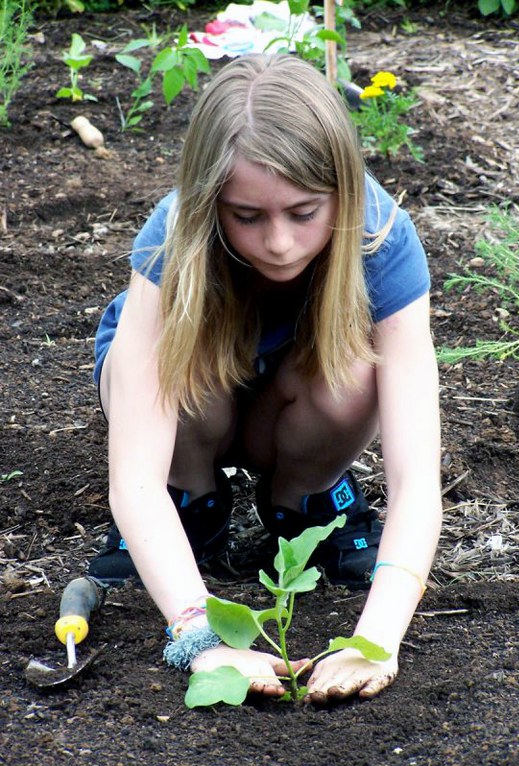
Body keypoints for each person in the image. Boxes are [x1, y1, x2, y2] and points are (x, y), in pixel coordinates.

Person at [88, 53, 442, 703]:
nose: (278, 242)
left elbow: (417, 479)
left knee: (360, 373)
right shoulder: (171, 240)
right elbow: (131, 481)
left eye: (303, 213)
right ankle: (189, 505)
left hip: (296, 401)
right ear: (208, 202)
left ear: (342, 191)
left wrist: (375, 643)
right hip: (193, 408)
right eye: (247, 217)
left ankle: (305, 504)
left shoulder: (382, 241)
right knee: (178, 370)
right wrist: (202, 639)